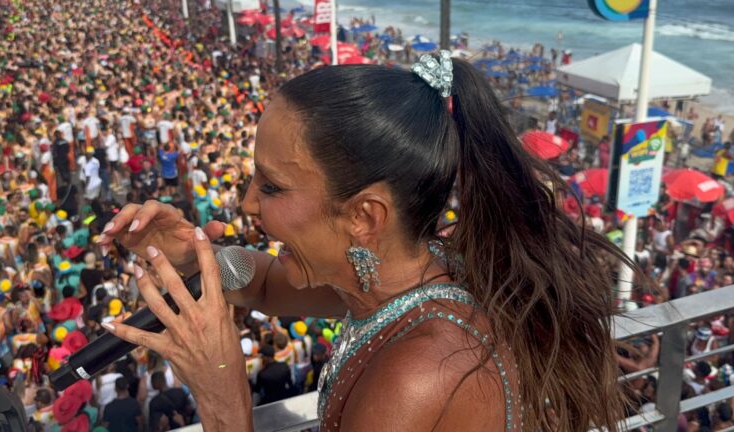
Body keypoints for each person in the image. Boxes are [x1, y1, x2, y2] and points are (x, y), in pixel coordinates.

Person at [101, 54, 633, 431]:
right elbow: (263, 284)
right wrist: (188, 252)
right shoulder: (391, 281)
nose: (246, 203)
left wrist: (222, 399)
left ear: (364, 216)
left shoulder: (420, 372)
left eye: (271, 186)